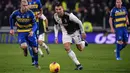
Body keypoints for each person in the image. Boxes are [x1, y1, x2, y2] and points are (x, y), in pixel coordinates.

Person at [53, 2, 88, 70]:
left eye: (59, 9)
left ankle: (84, 43)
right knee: (66, 48)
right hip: (65, 32)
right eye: (56, 9)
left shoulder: (69, 15)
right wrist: (56, 37)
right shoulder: (55, 16)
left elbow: (79, 22)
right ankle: (78, 64)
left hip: (75, 31)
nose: (58, 11)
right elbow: (56, 26)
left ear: (62, 9)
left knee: (80, 48)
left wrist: (83, 32)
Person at [9, 0, 40, 69]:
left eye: (27, 5)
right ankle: (25, 50)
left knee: (35, 49)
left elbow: (35, 24)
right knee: (24, 46)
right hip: (21, 32)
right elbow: (11, 18)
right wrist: (11, 28)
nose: (26, 7)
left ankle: (36, 63)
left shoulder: (31, 13)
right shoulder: (16, 13)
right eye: (24, 6)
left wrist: (32, 31)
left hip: (29, 32)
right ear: (21, 5)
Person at [27, 0, 50, 65]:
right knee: (33, 43)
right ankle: (36, 58)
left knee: (38, 42)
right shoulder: (29, 16)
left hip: (41, 30)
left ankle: (45, 48)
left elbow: (46, 19)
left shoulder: (40, 15)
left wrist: (47, 27)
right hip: (32, 29)